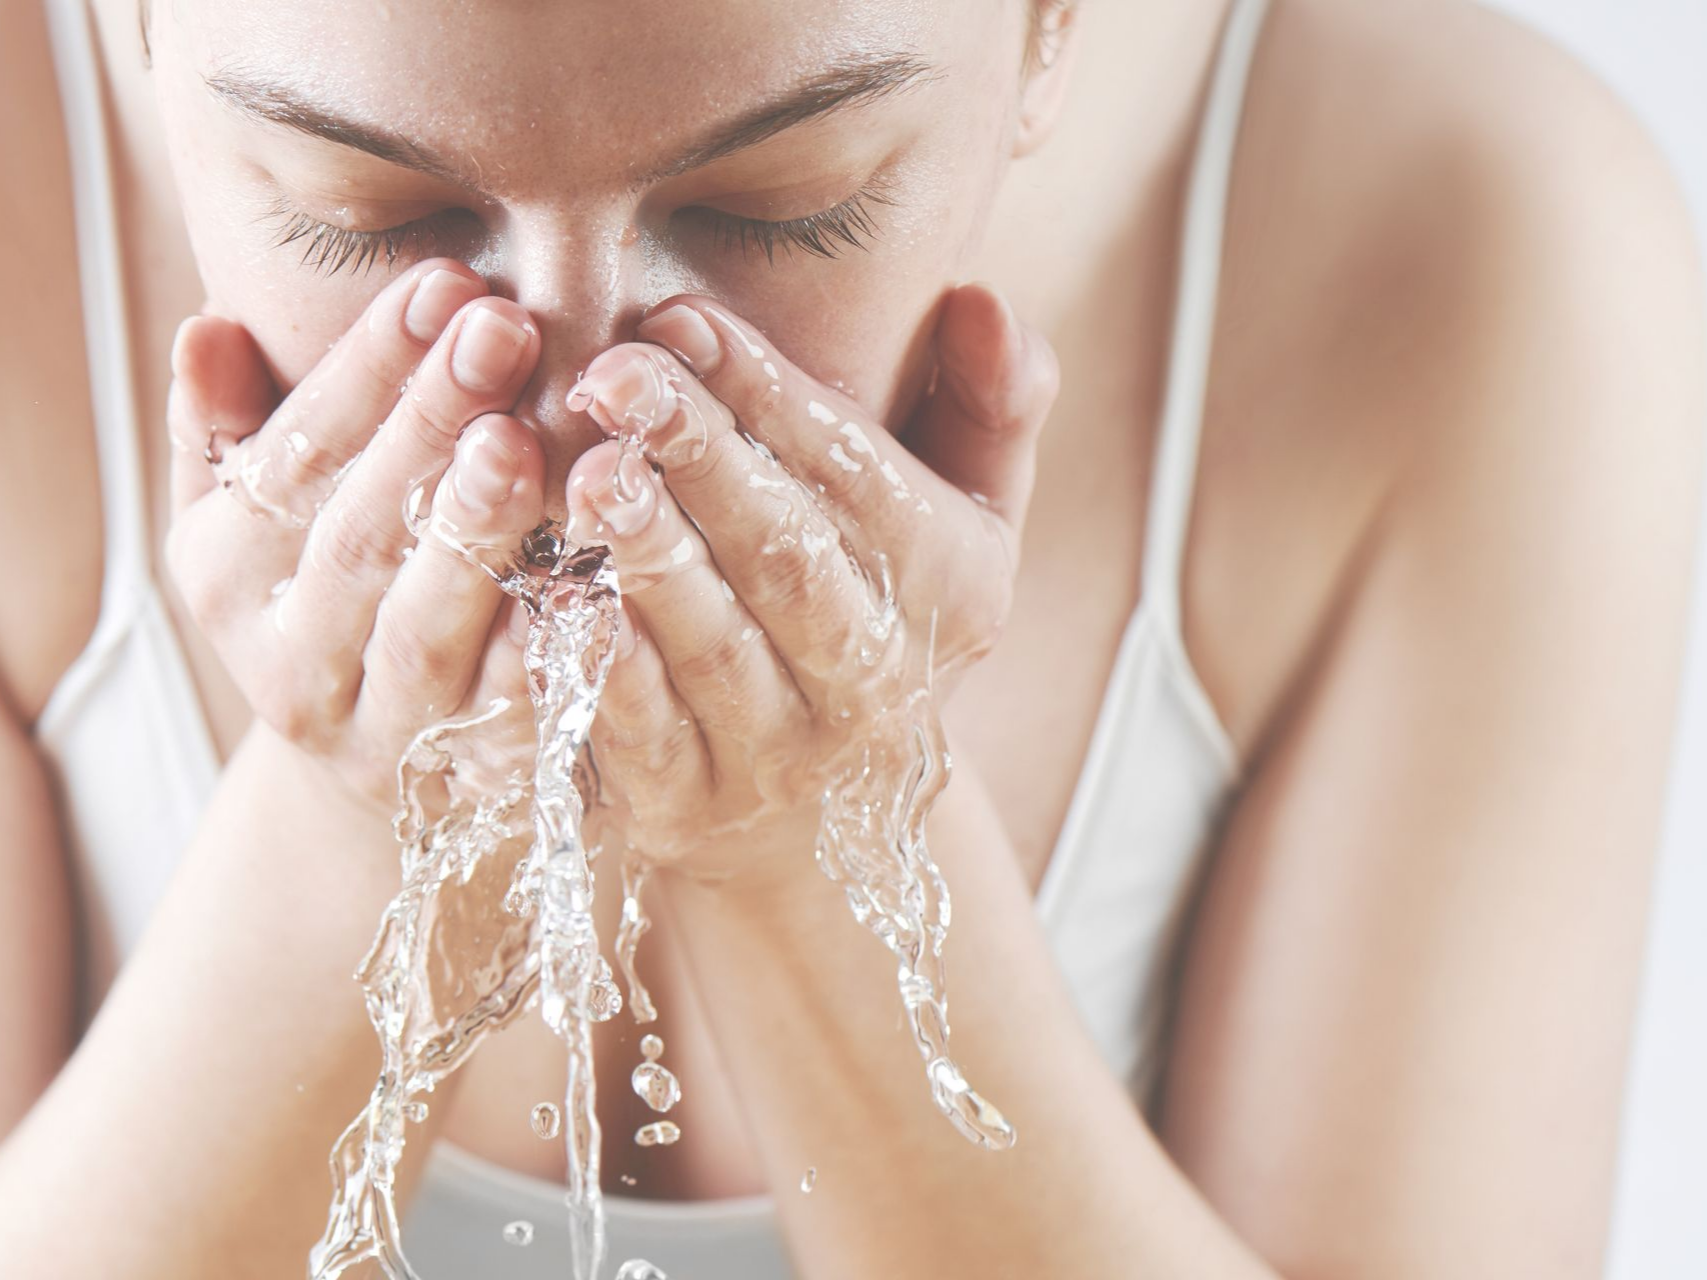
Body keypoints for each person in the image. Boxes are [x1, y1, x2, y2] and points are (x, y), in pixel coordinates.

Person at [2, 0, 1702, 1274]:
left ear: (1048, 28)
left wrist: (824, 836)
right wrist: (351, 810)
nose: (592, 405)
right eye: (361, 211)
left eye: (783, 202)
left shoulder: (1468, 239)